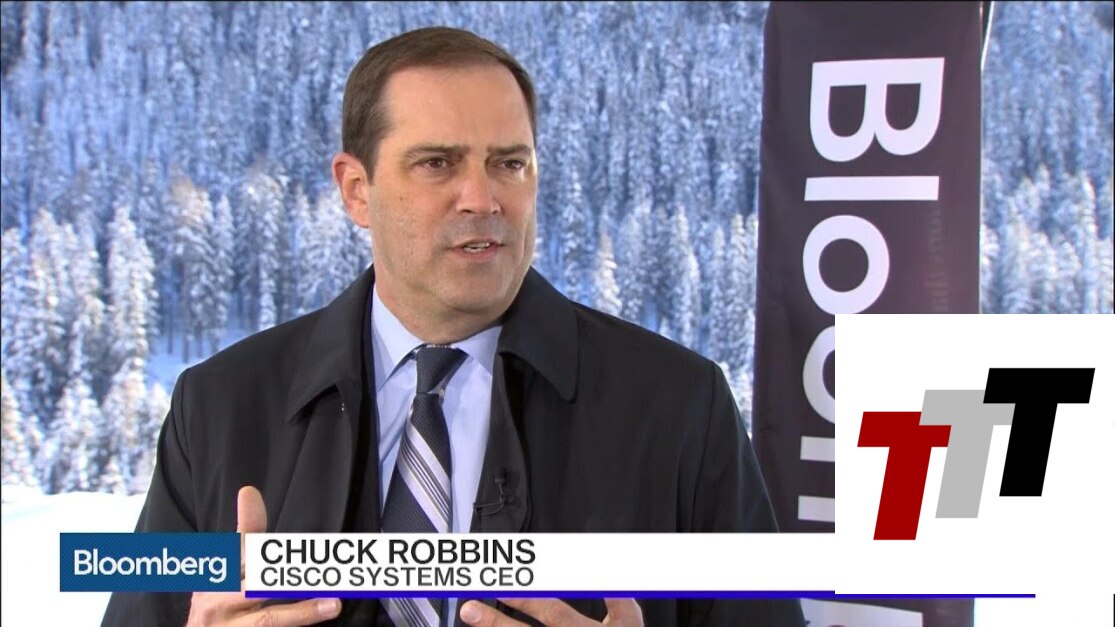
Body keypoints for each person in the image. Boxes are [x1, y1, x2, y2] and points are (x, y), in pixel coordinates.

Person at [102, 26, 804, 627]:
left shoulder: (679, 408)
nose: (482, 197)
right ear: (356, 190)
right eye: (437, 163)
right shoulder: (219, 409)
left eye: (509, 163)